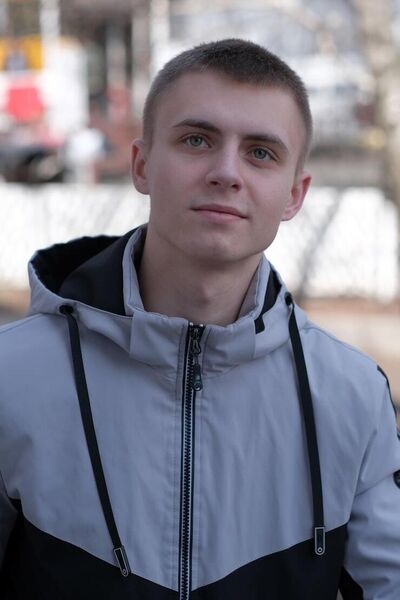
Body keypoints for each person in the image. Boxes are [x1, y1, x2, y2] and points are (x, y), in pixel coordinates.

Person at [0, 39, 399, 599]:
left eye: (261, 152)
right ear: (142, 165)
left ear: (294, 195)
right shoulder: (11, 377)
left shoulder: (351, 396)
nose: (226, 172)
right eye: (197, 140)